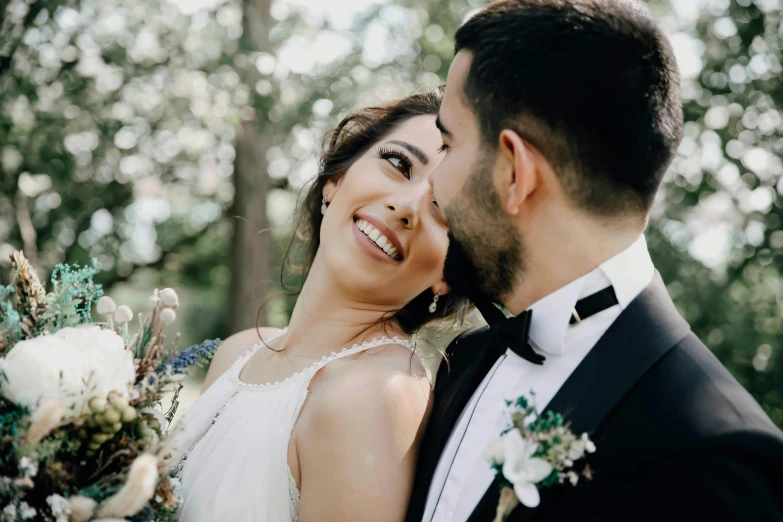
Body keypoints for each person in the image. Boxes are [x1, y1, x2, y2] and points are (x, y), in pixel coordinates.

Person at [406, 1, 783, 521]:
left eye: (447, 145)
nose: (433, 183)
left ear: (515, 171)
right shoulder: (461, 363)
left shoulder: (713, 454)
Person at [175, 88, 471, 522]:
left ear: (450, 272)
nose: (405, 207)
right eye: (397, 164)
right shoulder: (237, 353)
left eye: (443, 208)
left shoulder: (375, 394)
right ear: (336, 179)